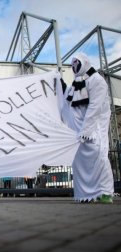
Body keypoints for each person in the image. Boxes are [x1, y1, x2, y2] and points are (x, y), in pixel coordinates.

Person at [60, 53, 114, 203]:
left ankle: (104, 193)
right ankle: (83, 195)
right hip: (76, 135)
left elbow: (95, 108)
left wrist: (86, 131)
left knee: (99, 159)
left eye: (77, 64)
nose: (74, 67)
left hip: (92, 133)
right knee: (80, 164)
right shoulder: (76, 84)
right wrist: (61, 85)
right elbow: (67, 101)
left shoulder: (97, 81)